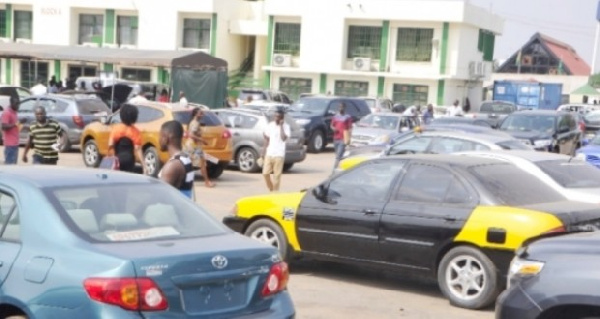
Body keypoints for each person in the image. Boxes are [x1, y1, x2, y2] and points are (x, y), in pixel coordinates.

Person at [158, 120, 195, 199]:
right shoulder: (186, 159)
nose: (159, 140)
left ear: (166, 138)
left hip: (174, 209)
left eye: (160, 136)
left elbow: (161, 196)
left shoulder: (173, 165)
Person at [107, 104, 146, 174]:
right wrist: (144, 166)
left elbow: (110, 145)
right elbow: (138, 149)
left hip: (117, 159)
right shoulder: (135, 131)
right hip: (129, 161)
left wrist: (110, 158)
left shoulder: (116, 129)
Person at [183, 107, 215, 188]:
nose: (202, 115)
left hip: (191, 145)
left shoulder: (193, 122)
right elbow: (191, 135)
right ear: (196, 114)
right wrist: (202, 140)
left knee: (187, 164)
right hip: (194, 146)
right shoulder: (195, 123)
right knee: (202, 164)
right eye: (201, 113)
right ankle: (207, 182)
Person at [261, 108, 290, 192]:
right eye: (276, 116)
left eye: (279, 117)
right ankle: (271, 188)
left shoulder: (286, 127)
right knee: (265, 173)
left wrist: (281, 126)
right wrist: (263, 152)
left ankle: (275, 192)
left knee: (277, 176)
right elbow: (267, 139)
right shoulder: (270, 125)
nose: (277, 118)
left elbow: (283, 138)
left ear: (282, 118)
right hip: (270, 153)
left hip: (279, 155)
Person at [331, 102, 353, 170]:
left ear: (344, 108)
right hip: (335, 138)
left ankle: (334, 170)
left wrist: (349, 139)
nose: (341, 108)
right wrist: (333, 129)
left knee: (338, 156)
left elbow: (350, 128)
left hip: (343, 138)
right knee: (338, 155)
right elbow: (331, 125)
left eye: (342, 107)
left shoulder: (347, 117)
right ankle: (343, 166)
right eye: (340, 107)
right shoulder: (335, 117)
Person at [1, 96, 21, 164]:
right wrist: (15, 124)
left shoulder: (14, 112)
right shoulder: (7, 113)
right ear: (11, 103)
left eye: (19, 103)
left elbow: (15, 125)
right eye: (16, 103)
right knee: (10, 166)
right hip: (10, 145)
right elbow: (3, 126)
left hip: (15, 143)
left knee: (14, 166)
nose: (18, 105)